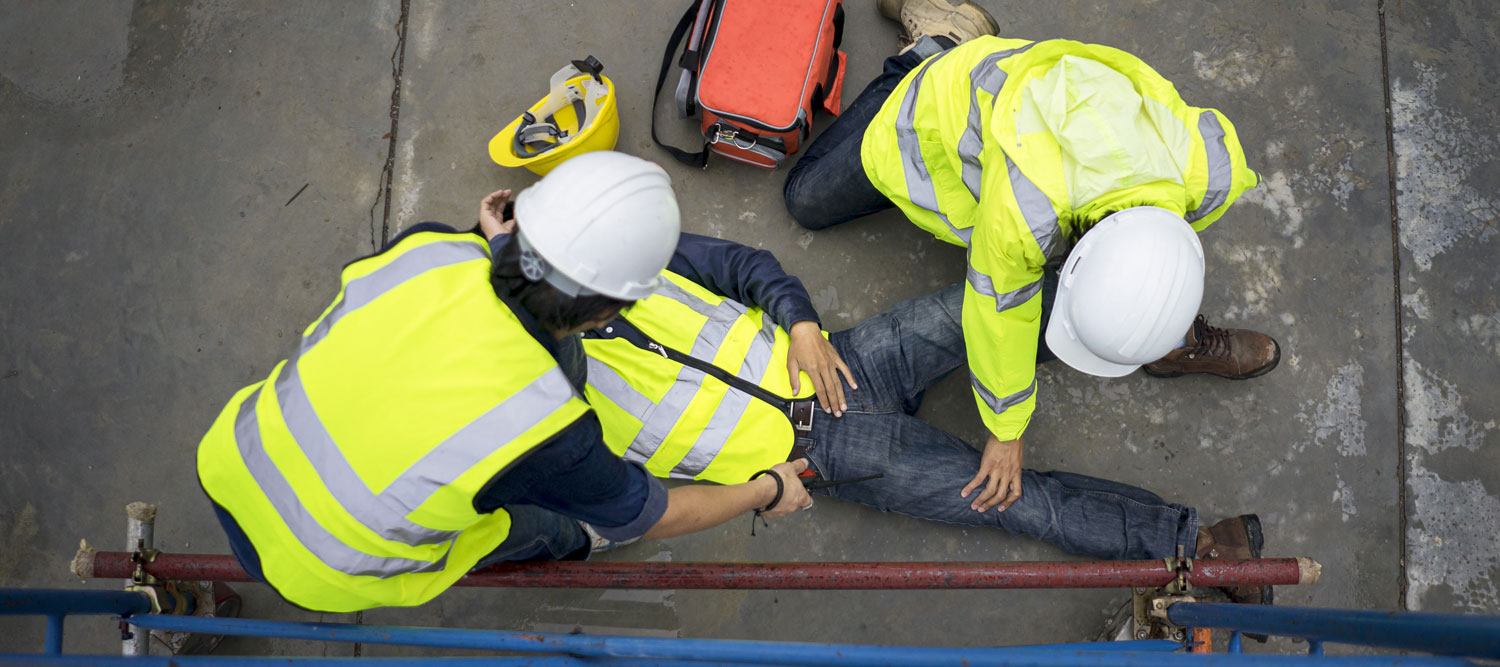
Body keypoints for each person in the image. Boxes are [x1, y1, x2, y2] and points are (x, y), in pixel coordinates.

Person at [468, 220, 1273, 607]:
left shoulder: (612, 256)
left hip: (840, 356)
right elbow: (616, 517)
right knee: (1012, 497)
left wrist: (802, 322)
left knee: (990, 306)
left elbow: (742, 266)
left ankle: (1150, 333)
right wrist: (767, 489)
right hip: (827, 449)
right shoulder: (547, 420)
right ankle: (1199, 544)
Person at [195, 152, 812, 613]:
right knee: (535, 521)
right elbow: (656, 516)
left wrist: (498, 248)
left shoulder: (428, 247)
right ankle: (573, 541)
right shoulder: (549, 426)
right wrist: (765, 490)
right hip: (325, 564)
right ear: (605, 314)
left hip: (234, 455)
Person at [781, 0, 1281, 523]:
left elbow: (1165, 253)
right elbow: (998, 315)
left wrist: (1155, 314)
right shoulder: (1023, 215)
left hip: (1038, 121)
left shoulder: (1209, 170)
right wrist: (1006, 431)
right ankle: (936, 45)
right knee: (806, 200)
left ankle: (1178, 342)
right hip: (936, 113)